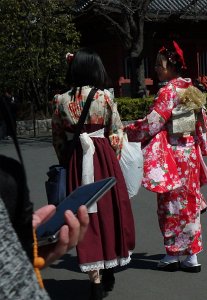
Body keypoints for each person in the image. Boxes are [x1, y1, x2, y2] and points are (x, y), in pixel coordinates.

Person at [52, 48, 135, 300]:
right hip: (104, 159)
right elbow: (117, 133)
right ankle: (109, 267)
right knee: (109, 214)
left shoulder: (60, 100)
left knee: (84, 216)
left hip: (79, 160)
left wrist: (68, 160)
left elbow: (57, 138)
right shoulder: (105, 98)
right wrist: (112, 159)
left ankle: (95, 279)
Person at [124, 41, 207, 273]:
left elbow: (153, 123)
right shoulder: (191, 89)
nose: (156, 68)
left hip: (172, 155)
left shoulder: (168, 91)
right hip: (190, 153)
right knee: (190, 203)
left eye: (159, 64)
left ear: (172, 66)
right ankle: (192, 256)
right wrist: (202, 146)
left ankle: (172, 254)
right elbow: (201, 123)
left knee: (170, 205)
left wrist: (128, 131)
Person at [0, 98, 89, 299]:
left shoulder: (63, 100)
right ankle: (102, 274)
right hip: (101, 155)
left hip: (75, 156)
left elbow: (57, 136)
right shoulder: (8, 178)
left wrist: (64, 158)